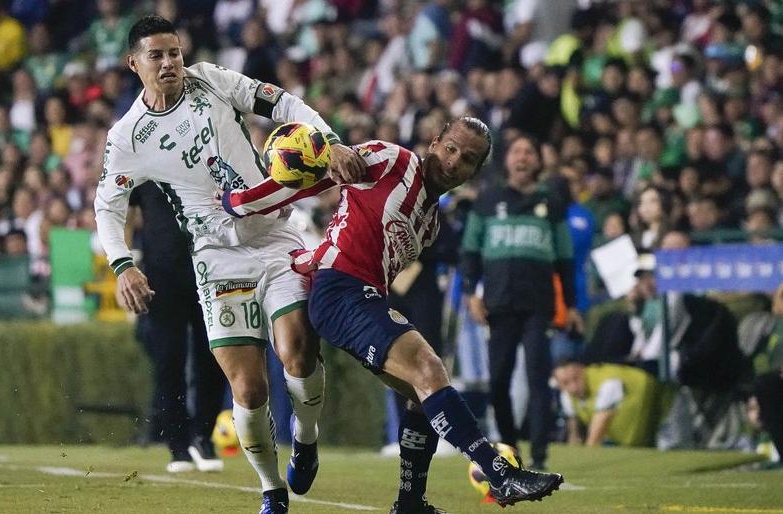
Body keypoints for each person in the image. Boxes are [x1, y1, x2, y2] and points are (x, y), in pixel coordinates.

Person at [222, 117, 564, 511]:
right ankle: (500, 474)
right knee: (429, 369)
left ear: (474, 172)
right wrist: (241, 202)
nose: (454, 162)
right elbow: (313, 176)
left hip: (365, 297)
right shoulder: (391, 159)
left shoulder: (431, 222)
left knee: (425, 394)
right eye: (450, 148)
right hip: (339, 289)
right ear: (434, 142)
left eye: (467, 159)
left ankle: (410, 502)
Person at [94, 15, 363, 514]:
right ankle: (270, 489)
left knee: (298, 351)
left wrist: (329, 139)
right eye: (156, 55)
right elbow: (106, 207)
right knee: (248, 385)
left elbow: (280, 101)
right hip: (216, 258)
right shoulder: (128, 136)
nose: (170, 62)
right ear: (133, 64)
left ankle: (305, 436)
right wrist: (122, 264)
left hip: (276, 234)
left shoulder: (212, 79)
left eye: (173, 52)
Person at [460, 134, 582, 470]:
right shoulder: (487, 200)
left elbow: (565, 259)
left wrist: (571, 305)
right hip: (498, 303)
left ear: (538, 161)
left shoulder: (552, 202)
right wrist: (471, 294)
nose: (523, 157)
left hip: (538, 304)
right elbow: (469, 251)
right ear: (507, 159)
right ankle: (510, 448)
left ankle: (541, 456)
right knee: (499, 379)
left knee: (538, 376)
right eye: (517, 151)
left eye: (530, 151)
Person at [128, 181, 226, 473]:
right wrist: (127, 266)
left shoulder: (200, 151)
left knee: (214, 356)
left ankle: (203, 436)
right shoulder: (142, 160)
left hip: (208, 269)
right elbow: (126, 211)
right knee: (168, 361)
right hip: (160, 276)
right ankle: (177, 445)